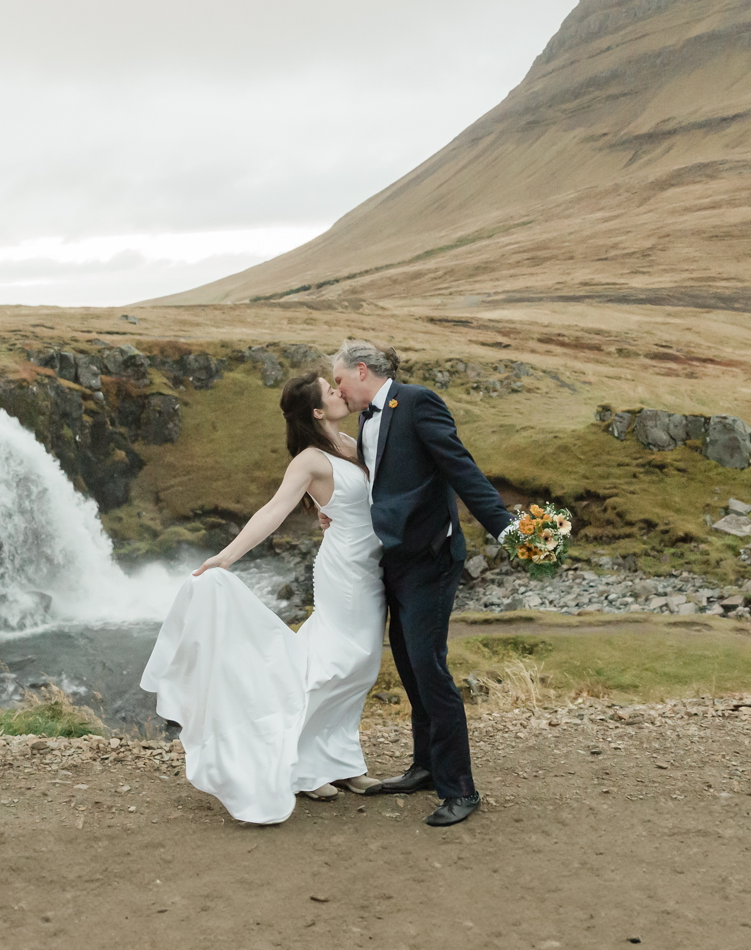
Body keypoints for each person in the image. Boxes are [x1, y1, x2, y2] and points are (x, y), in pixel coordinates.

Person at [139, 371, 385, 824]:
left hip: (373, 566)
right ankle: (304, 765)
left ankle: (341, 759)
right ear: (316, 410)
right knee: (340, 660)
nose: (339, 391)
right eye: (330, 391)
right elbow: (274, 509)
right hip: (345, 569)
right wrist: (228, 557)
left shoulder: (351, 440)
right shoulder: (310, 459)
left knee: (364, 664)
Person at [330, 338, 514, 827]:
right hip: (394, 558)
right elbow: (380, 480)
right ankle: (426, 766)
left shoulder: (416, 402)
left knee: (430, 669)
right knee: (410, 665)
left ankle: (461, 789)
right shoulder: (369, 421)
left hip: (431, 558)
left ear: (362, 371)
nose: (338, 390)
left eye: (340, 380)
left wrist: (509, 530)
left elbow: (460, 467)